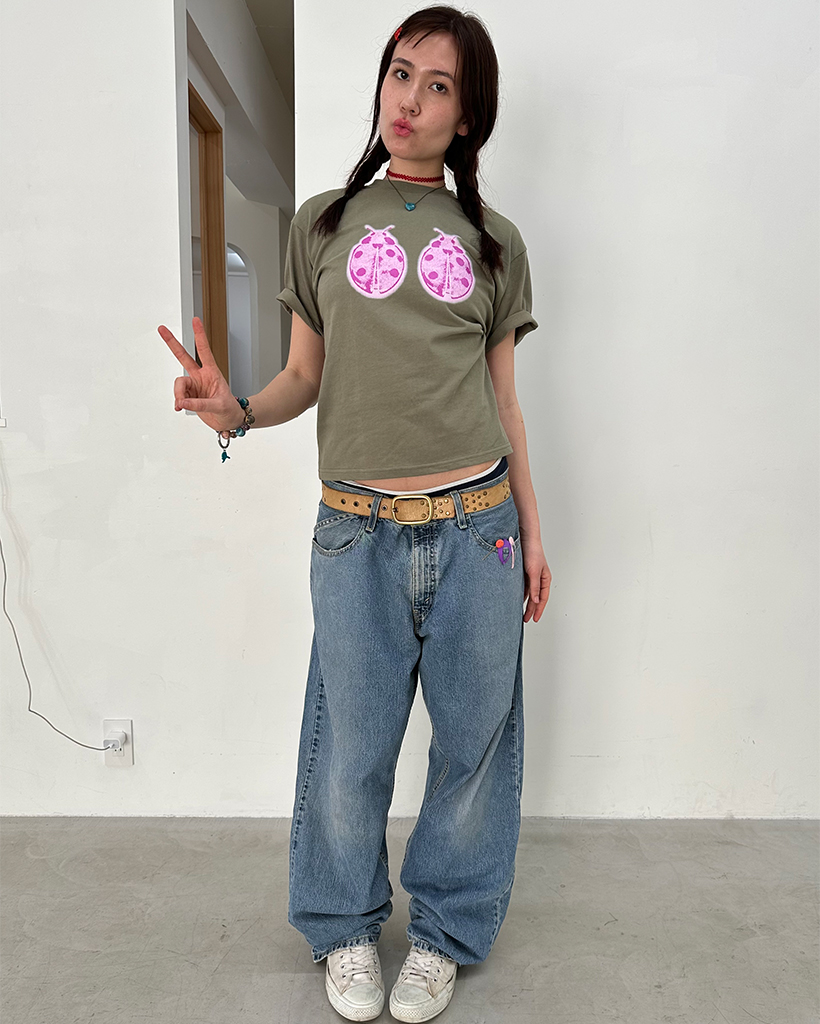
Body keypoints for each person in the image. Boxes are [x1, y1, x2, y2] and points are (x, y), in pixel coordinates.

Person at [159, 6, 551, 1021]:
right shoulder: (324, 223)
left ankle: (444, 933)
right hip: (356, 532)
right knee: (349, 746)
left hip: (479, 527)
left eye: (437, 85)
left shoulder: (494, 242)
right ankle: (343, 929)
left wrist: (531, 534)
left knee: (473, 746)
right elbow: (304, 377)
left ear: (467, 117)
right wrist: (237, 410)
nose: (408, 99)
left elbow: (505, 405)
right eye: (399, 72)